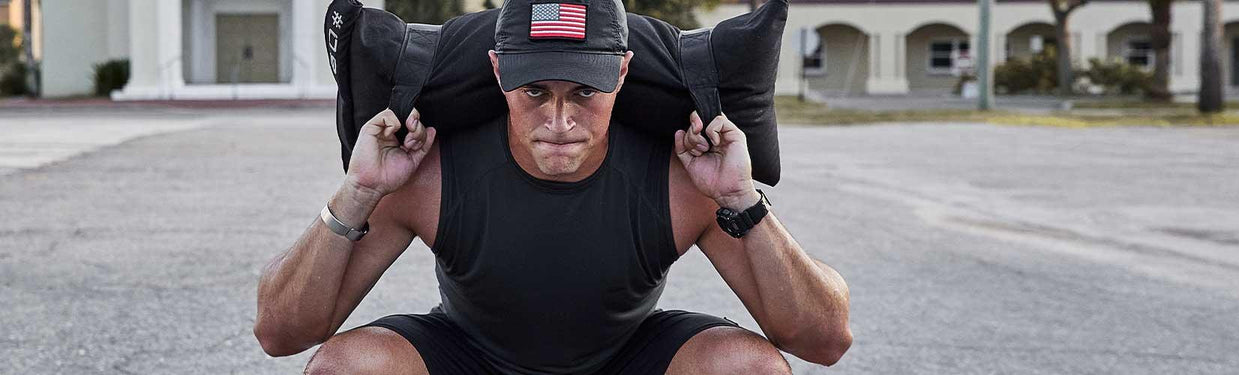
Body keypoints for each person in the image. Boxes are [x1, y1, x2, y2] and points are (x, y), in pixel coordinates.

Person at [253, 0, 852, 373]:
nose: (559, 123)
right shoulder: (425, 171)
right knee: (346, 369)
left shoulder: (683, 176)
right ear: (497, 71)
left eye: (584, 93)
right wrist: (358, 191)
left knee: (747, 368)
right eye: (534, 90)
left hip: (628, 355)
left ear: (621, 73)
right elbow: (283, 333)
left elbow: (823, 341)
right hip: (470, 354)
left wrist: (743, 201)